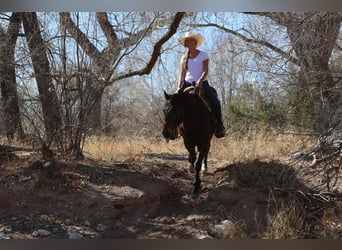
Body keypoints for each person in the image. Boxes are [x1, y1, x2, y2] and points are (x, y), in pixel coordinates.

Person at [176, 32, 226, 138]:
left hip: (202, 83)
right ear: (185, 44)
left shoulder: (203, 55)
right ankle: (175, 129)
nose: (190, 43)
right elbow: (182, 73)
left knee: (215, 102)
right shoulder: (183, 58)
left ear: (195, 42)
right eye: (187, 41)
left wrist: (200, 80)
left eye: (191, 41)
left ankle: (219, 127)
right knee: (174, 104)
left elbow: (205, 70)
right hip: (187, 83)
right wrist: (179, 86)